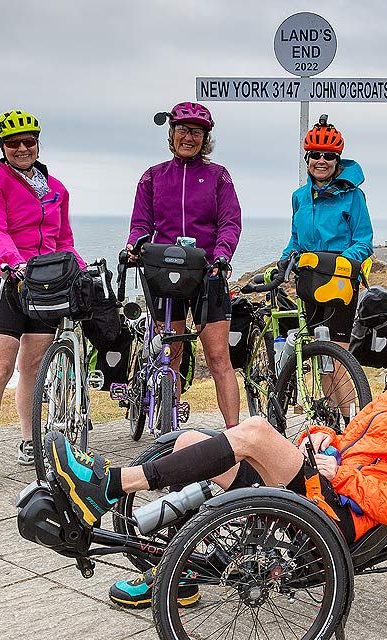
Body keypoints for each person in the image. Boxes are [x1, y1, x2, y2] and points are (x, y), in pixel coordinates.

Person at [45, 305, 387, 609]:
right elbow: (350, 437)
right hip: (327, 483)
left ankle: (110, 485)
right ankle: (181, 573)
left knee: (256, 430)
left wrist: (344, 477)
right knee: (189, 443)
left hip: (344, 513)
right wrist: (320, 438)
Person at [0, 109, 85, 491]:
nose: (22, 148)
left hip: (43, 284)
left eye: (28, 141)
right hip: (1, 278)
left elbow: (63, 240)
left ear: (37, 143)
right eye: (13, 143)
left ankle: (29, 441)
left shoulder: (56, 188)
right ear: (1, 147)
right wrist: (15, 261)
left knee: (33, 367)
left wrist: (81, 269)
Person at [126, 101, 241, 428]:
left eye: (196, 133)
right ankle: (170, 428)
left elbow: (230, 222)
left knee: (218, 359)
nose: (189, 137)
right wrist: (135, 245)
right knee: (171, 355)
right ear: (171, 133)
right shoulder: (153, 177)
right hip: (166, 273)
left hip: (208, 273)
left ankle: (235, 435)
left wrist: (222, 255)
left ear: (205, 139)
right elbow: (141, 223)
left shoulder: (218, 177)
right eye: (182, 130)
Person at [280, 114, 373, 350]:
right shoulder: (299, 197)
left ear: (337, 161)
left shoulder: (353, 196)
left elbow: (363, 241)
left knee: (338, 350)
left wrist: (340, 264)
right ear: (307, 159)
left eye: (329, 156)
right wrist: (284, 260)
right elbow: (296, 239)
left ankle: (345, 376)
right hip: (310, 276)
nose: (321, 161)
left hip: (341, 277)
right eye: (315, 155)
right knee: (315, 349)